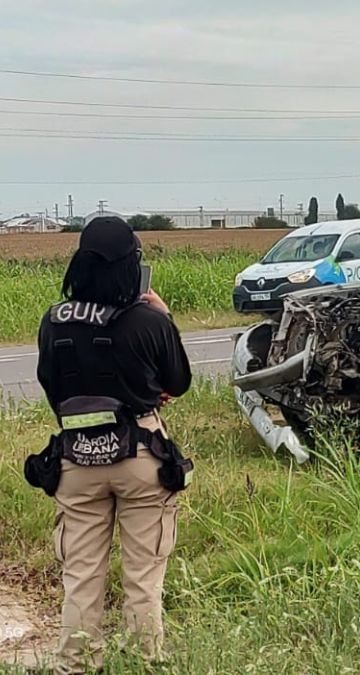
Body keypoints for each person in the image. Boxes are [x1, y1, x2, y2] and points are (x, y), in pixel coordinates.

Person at [30, 216, 192, 673]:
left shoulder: (54, 321)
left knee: (80, 576)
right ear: (131, 266)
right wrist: (164, 318)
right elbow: (178, 381)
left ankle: (76, 664)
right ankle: (144, 663)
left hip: (76, 459)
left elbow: (51, 386)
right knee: (143, 576)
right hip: (141, 457)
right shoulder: (147, 319)